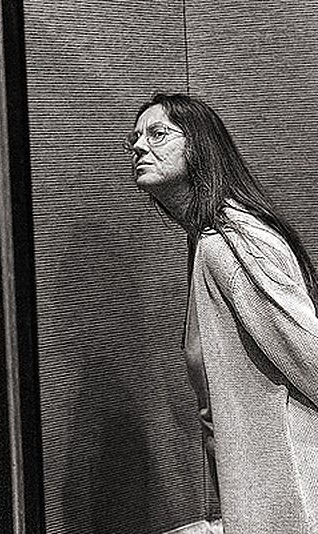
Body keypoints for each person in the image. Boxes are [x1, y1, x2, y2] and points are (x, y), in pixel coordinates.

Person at [126, 92, 318, 533]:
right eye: (134, 138)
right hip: (262, 485)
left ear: (199, 146)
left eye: (157, 134)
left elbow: (309, 355)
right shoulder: (205, 239)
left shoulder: (230, 242)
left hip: (291, 486)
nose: (139, 146)